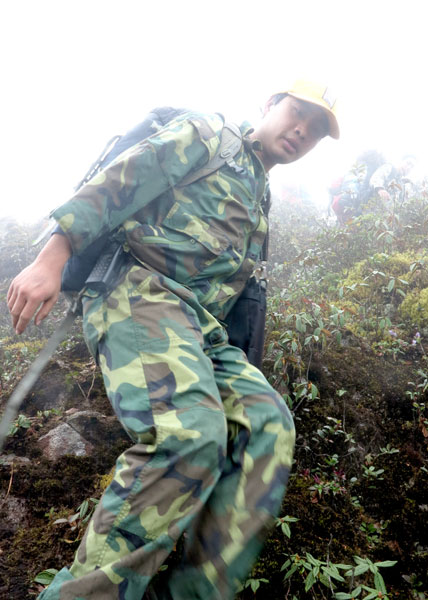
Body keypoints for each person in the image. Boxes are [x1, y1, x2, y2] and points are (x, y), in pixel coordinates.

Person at [7, 78, 339, 600]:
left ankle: (193, 594)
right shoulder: (212, 133)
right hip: (139, 292)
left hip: (201, 329)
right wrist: (53, 257)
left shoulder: (260, 196)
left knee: (268, 426)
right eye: (298, 112)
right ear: (271, 104)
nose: (302, 129)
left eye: (317, 129)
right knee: (190, 434)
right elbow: (125, 178)